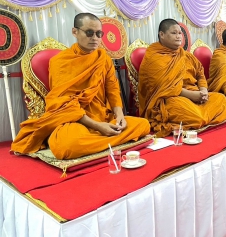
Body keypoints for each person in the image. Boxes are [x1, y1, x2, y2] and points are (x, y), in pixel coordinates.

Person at [11, 13, 150, 159]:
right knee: (65, 145)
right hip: (75, 120)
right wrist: (98, 127)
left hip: (103, 117)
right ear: (75, 32)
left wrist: (120, 115)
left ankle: (98, 142)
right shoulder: (60, 62)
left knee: (143, 125)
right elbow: (63, 102)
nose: (95, 38)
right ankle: (107, 140)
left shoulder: (103, 58)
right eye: (89, 32)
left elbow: (113, 90)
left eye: (99, 33)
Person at [138, 18, 226, 137]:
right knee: (193, 115)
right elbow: (166, 88)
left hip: (196, 96)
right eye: (174, 33)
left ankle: (198, 118)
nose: (178, 36)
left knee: (221, 99)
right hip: (172, 99)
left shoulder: (185, 55)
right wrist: (192, 96)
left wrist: (203, 90)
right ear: (162, 35)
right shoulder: (154, 57)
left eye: (180, 33)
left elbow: (200, 73)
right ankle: (201, 118)